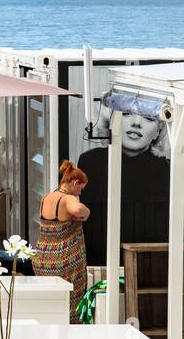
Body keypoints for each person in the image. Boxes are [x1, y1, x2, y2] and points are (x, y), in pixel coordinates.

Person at [76, 100, 170, 267]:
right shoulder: (90, 162)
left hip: (152, 266)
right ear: (110, 121)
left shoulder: (167, 168)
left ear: (158, 131)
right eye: (126, 114)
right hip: (98, 263)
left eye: (148, 118)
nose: (136, 123)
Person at [34, 160, 91, 324]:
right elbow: (78, 210)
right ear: (75, 183)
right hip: (64, 261)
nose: (80, 192)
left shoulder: (46, 197)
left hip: (42, 260)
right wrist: (87, 212)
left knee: (50, 303)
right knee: (69, 305)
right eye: (81, 188)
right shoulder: (67, 199)